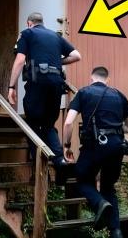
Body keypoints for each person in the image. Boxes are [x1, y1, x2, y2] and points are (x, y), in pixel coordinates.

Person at [62, 66, 128, 238]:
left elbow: (68, 123)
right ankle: (116, 232)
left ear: (91, 78)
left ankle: (99, 203)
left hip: (94, 146)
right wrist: (114, 130)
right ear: (107, 79)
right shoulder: (118, 94)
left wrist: (66, 146)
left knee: (82, 180)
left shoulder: (84, 93)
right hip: (117, 146)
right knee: (108, 186)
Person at [8, 12, 81, 169]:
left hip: (38, 83)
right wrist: (57, 62)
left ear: (29, 23)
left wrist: (11, 86)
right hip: (56, 84)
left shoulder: (27, 33)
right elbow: (76, 56)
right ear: (42, 22)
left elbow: (20, 60)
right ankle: (60, 160)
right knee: (48, 124)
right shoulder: (55, 36)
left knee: (33, 123)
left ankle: (37, 164)